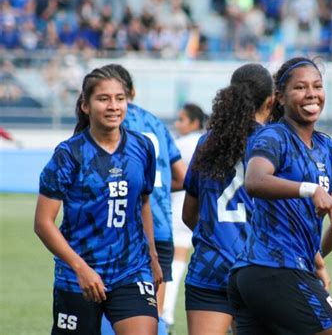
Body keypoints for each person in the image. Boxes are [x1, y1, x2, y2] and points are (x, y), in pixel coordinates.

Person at [227, 56, 332, 335]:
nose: (311, 94)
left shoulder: (325, 144)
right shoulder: (274, 137)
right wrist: (310, 189)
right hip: (273, 269)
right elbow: (255, 180)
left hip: (264, 273)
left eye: (317, 86)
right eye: (300, 87)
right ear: (279, 97)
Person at [34, 65, 162, 335]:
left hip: (132, 269)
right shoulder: (68, 155)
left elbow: (144, 202)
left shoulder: (143, 147)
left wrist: (152, 254)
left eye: (119, 98)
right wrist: (80, 268)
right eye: (103, 99)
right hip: (77, 275)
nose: (113, 106)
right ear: (85, 105)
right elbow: (43, 223)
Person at [182, 63, 274, 335]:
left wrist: (215, 237)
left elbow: (189, 215)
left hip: (210, 267)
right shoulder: (276, 144)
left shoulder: (206, 142)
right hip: (260, 269)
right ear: (270, 101)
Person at [104, 64, 186, 334]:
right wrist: (154, 190)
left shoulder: (110, 121)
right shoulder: (156, 123)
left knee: (111, 314)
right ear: (134, 91)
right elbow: (181, 177)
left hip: (120, 229)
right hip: (160, 227)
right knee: (154, 317)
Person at [162, 103, 208, 332]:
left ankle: (166, 314)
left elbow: (166, 176)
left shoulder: (181, 145)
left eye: (182, 120)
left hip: (180, 211)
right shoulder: (208, 142)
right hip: (203, 212)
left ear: (195, 123)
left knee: (172, 264)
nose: (177, 124)